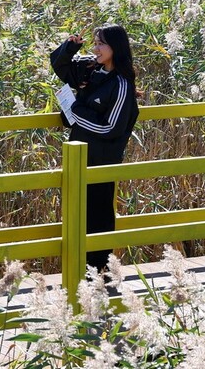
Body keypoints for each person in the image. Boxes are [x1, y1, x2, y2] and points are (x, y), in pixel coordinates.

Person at [50, 24, 139, 271]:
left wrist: (77, 111)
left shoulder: (121, 84)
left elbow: (111, 128)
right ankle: (78, 271)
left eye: (101, 44)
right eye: (95, 43)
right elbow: (60, 66)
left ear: (116, 48)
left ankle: (100, 271)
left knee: (98, 216)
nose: (96, 48)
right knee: (77, 215)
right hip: (78, 159)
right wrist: (70, 47)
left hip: (101, 162)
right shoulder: (91, 69)